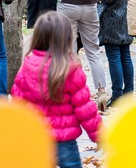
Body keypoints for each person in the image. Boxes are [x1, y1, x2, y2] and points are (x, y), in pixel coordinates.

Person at [11, 11, 101, 168]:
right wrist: (100, 135)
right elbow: (85, 110)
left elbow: (17, 107)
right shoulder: (70, 69)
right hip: (64, 142)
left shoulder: (26, 67)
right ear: (66, 38)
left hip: (35, 138)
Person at [98, 0, 134, 106]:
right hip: (127, 15)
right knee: (125, 55)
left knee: (114, 56)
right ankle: (129, 93)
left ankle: (118, 95)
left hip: (112, 17)